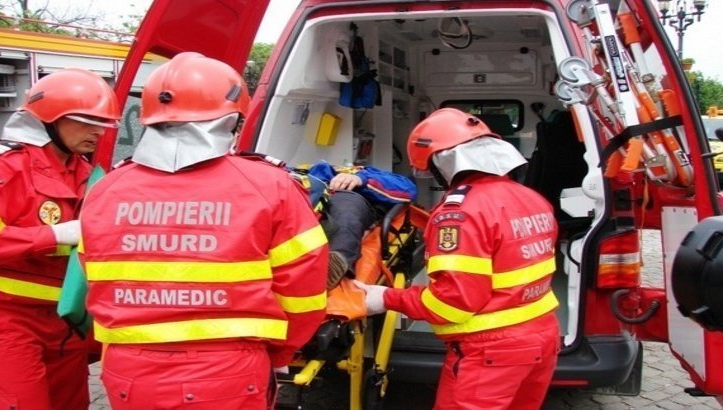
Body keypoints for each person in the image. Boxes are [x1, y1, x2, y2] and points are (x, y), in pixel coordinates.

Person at [79, 52, 328, 409]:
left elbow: (94, 274)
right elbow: (304, 289)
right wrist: (281, 351)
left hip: (128, 371)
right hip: (227, 370)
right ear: (232, 119)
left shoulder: (105, 189)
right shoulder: (269, 185)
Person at [355, 108, 561, 410]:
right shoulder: (531, 198)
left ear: (442, 163)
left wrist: (386, 298)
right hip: (543, 336)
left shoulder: (459, 215)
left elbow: (451, 303)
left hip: (492, 351)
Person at [0, 68, 120, 409]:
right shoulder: (6, 170)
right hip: (8, 322)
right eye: (87, 121)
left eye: (103, 124)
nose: (98, 132)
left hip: (67, 322)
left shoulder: (91, 176)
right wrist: (53, 236)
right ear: (50, 119)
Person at [296, 161, 417, 289]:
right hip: (306, 196)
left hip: (345, 197)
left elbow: (408, 189)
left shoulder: (367, 173)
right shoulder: (301, 170)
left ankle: (335, 263)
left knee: (345, 210)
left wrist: (361, 179)